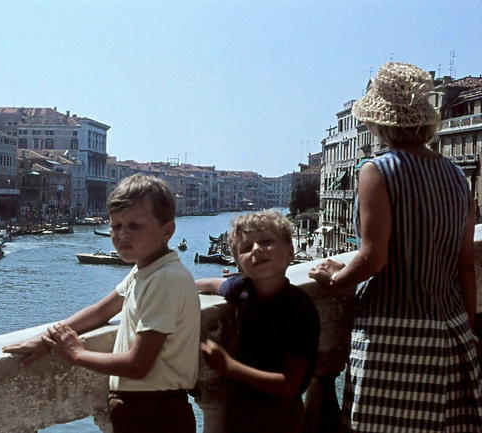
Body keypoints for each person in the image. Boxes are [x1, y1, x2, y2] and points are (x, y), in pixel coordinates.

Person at [309, 62, 482, 432]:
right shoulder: (456, 176)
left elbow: (373, 257)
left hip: (391, 335)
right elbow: (465, 264)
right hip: (450, 331)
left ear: (378, 123)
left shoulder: (376, 170)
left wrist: (335, 279)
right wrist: (466, 329)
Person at [3, 174, 200, 433]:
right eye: (116, 226)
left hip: (154, 414)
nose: (122, 235)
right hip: (143, 410)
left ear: (167, 230)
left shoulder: (164, 280)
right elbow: (102, 310)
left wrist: (77, 354)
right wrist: (46, 338)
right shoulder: (147, 271)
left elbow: (138, 364)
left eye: (134, 226)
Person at [197, 210, 320, 433]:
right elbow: (211, 284)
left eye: (266, 241)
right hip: (241, 415)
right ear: (239, 264)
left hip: (282, 419)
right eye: (246, 248)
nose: (257, 250)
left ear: (290, 252)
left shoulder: (299, 309)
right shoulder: (240, 288)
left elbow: (290, 385)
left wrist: (229, 366)